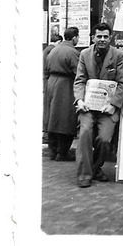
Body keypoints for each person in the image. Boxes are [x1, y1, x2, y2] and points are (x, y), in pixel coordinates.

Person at [73, 23, 123, 187]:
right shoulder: (84, 54)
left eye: (106, 36)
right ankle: (85, 174)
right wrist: (79, 100)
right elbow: (80, 80)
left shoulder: (118, 55)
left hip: (107, 108)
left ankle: (96, 168)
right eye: (99, 36)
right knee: (84, 134)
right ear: (93, 37)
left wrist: (113, 104)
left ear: (110, 37)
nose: (102, 39)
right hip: (88, 107)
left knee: (104, 140)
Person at [43, 26, 81, 161]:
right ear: (75, 37)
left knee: (53, 117)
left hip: (51, 83)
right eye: (78, 37)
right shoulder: (72, 52)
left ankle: (53, 150)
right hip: (66, 85)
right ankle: (62, 152)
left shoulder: (54, 50)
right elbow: (78, 72)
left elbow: (46, 69)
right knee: (66, 118)